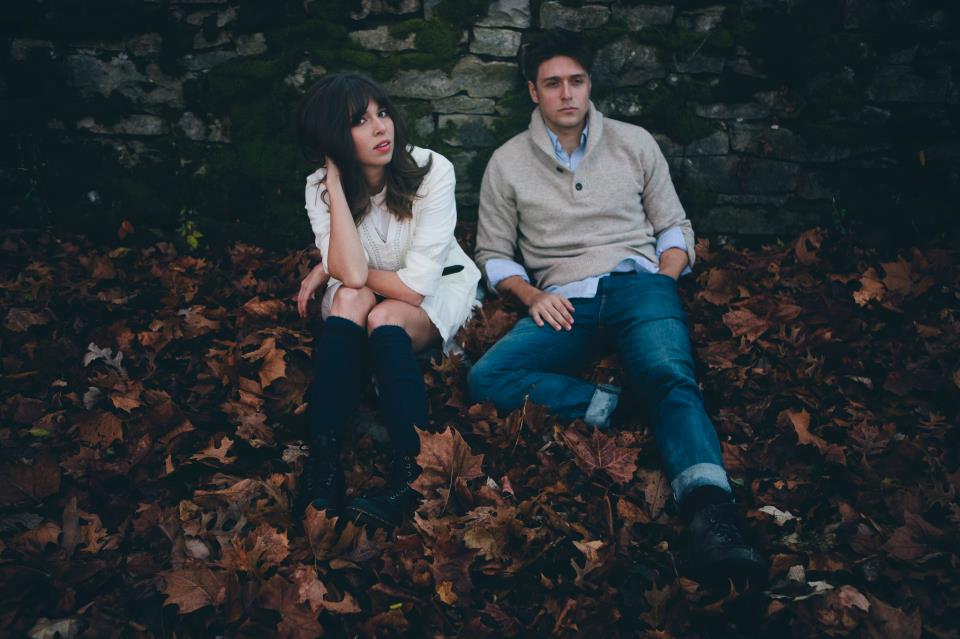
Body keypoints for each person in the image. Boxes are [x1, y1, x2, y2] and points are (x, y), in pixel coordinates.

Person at [468, 30, 766, 585]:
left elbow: (674, 226)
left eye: (576, 81)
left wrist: (663, 282)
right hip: (565, 301)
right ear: (533, 91)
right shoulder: (506, 163)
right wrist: (533, 296)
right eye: (552, 84)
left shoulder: (634, 143)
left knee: (670, 377)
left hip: (638, 283)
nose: (566, 94)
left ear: (589, 85)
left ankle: (712, 514)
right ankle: (622, 408)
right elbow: (493, 254)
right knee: (488, 377)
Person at [295, 73, 481, 528]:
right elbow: (353, 276)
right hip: (369, 289)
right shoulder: (319, 187)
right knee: (351, 300)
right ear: (333, 138)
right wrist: (335, 183)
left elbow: (415, 287)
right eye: (359, 121)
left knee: (383, 315)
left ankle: (410, 473)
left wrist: (332, 267)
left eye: (382, 113)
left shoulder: (432, 169)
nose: (381, 127)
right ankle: (323, 462)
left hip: (439, 288)